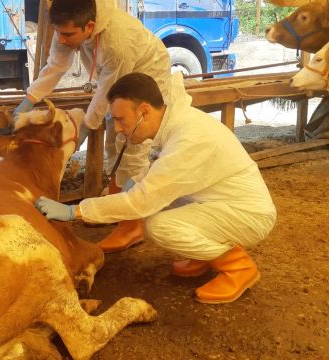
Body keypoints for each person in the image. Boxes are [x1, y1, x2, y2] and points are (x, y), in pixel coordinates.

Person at [34, 72, 277, 304]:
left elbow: (142, 201)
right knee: (157, 201)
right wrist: (137, 182)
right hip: (221, 201)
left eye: (120, 119)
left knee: (159, 226)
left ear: (144, 112)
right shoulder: (178, 124)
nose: (117, 128)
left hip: (248, 214)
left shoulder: (188, 137)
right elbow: (161, 176)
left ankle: (238, 267)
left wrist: (75, 211)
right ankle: (204, 255)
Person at [14, 0, 172, 253]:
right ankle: (113, 210)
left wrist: (87, 123)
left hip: (147, 73)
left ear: (89, 26)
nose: (62, 40)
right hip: (115, 76)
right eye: (59, 33)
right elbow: (57, 63)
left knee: (128, 144)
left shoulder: (117, 41)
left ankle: (131, 227)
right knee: (114, 144)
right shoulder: (68, 22)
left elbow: (108, 88)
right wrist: (30, 98)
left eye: (67, 35)